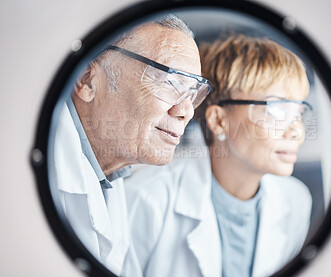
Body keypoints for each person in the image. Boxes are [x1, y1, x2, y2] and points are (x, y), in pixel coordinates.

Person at [125, 34, 312, 277]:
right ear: (219, 120)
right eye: (277, 110)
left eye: (298, 112)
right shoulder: (147, 198)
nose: (297, 131)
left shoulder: (296, 201)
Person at [48, 15, 213, 276]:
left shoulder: (113, 175)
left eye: (193, 93)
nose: (186, 111)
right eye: (169, 82)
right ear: (88, 80)